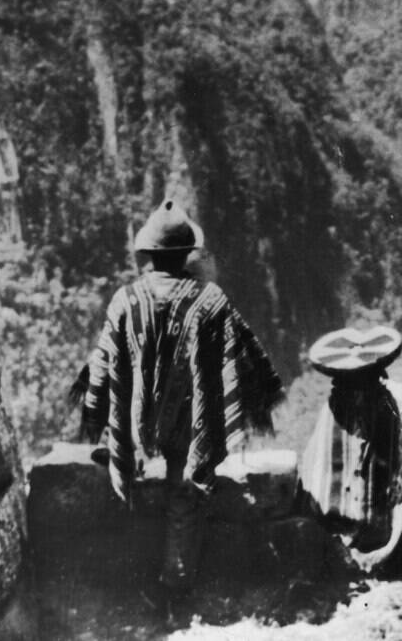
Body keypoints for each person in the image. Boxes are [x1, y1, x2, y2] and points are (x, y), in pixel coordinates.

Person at [75, 198, 284, 597]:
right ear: (186, 253)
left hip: (138, 417)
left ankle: (122, 574)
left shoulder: (126, 299)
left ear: (149, 255)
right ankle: (175, 580)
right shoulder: (209, 299)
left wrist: (102, 422)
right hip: (191, 420)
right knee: (183, 493)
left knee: (127, 452)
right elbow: (245, 357)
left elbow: (102, 365)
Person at [296, 325, 402, 578]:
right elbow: (314, 477)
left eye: (363, 384)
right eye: (348, 386)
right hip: (334, 530)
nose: (357, 396)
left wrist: (389, 547)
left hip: (379, 530)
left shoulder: (383, 409)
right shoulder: (333, 410)